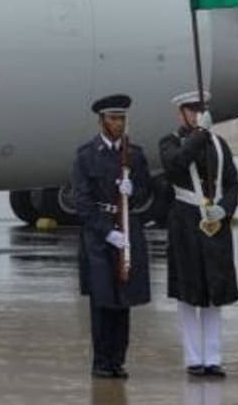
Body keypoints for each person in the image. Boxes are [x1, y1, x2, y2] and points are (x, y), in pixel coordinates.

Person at [159, 91, 238, 377]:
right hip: (186, 221)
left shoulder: (219, 145)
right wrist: (201, 133)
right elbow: (177, 163)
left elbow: (233, 182)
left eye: (200, 110)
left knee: (214, 291)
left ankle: (213, 357)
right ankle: (194, 358)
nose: (197, 115)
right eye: (192, 110)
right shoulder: (170, 142)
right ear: (180, 113)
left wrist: (225, 209)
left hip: (214, 222)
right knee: (188, 292)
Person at [71, 94, 151, 379]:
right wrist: (106, 232)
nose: (118, 124)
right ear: (102, 121)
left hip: (127, 226)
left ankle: (118, 359)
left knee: (123, 300)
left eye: (122, 118)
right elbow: (81, 202)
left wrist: (134, 191)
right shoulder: (86, 155)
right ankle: (102, 360)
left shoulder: (134, 155)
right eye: (113, 118)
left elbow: (147, 194)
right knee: (102, 300)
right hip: (99, 232)